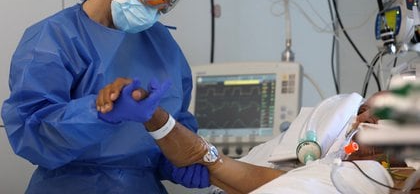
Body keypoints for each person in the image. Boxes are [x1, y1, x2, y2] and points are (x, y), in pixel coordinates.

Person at [1, 0, 210, 193]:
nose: (158, 4)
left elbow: (176, 121)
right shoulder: (53, 39)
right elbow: (33, 134)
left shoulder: (162, 45)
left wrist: (177, 160)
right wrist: (100, 113)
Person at [97, 87, 418, 194]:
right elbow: (266, 177)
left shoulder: (358, 176)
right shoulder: (330, 158)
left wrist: (208, 160)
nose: (360, 120)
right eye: (362, 112)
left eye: (374, 120)